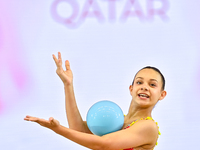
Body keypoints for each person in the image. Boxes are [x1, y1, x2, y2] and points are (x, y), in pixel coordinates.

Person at [24, 52, 167, 150]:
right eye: (139, 82)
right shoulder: (118, 120)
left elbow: (102, 144)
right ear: (131, 88)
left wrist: (58, 129)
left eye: (152, 85)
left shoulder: (148, 127)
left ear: (162, 94)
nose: (144, 87)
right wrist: (68, 85)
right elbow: (78, 130)